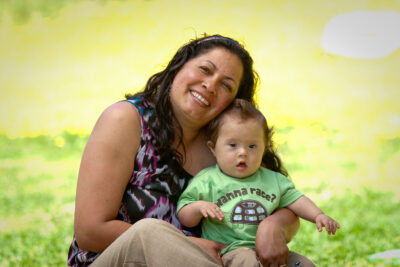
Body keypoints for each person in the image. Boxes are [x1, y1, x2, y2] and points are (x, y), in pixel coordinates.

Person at [67, 34, 313, 267]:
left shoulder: (228, 144)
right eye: (205, 69)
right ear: (178, 67)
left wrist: (274, 225)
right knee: (149, 231)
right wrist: (188, 245)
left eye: (226, 85)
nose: (210, 85)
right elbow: (90, 231)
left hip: (219, 259)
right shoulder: (126, 120)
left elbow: (281, 199)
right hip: (118, 260)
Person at [177, 99, 340, 267]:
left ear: (264, 147)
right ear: (213, 148)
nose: (243, 153)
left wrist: (318, 215)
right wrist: (199, 207)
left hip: (271, 250)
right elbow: (184, 215)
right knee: (247, 262)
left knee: (304, 264)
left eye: (252, 146)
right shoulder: (207, 180)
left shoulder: (273, 180)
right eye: (233, 145)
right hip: (230, 252)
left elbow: (296, 199)